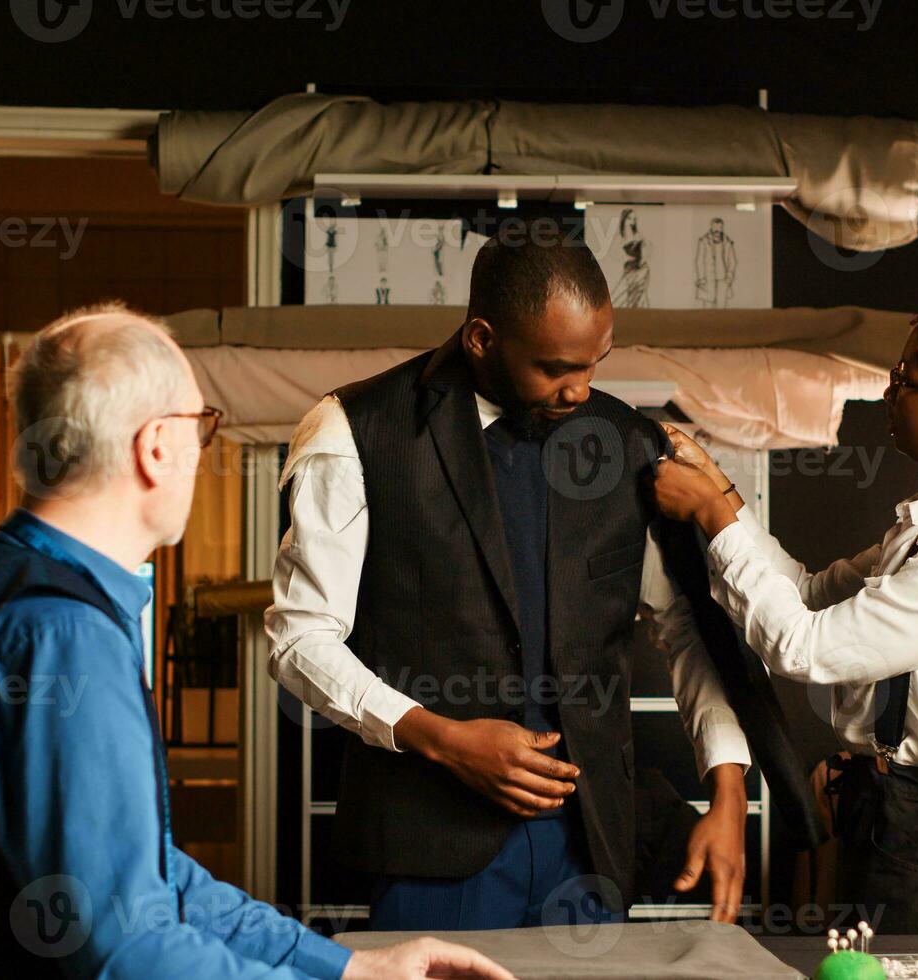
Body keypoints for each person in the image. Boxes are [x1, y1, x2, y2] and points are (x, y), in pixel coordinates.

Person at [0, 304, 511, 980]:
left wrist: (349, 969)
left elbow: (154, 875)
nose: (203, 451)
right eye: (201, 427)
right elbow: (126, 948)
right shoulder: (62, 634)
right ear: (157, 445)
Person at [267, 236, 752, 932]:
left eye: (595, 362)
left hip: (591, 845)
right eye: (556, 367)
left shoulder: (627, 441)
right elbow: (298, 638)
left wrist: (727, 787)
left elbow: (685, 624)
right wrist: (438, 738)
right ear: (481, 338)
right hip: (430, 848)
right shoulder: (354, 431)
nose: (581, 389)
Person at [651, 293, 918, 935]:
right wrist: (725, 495)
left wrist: (712, 514)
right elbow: (811, 592)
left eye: (906, 381)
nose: (889, 395)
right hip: (892, 818)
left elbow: (807, 648)